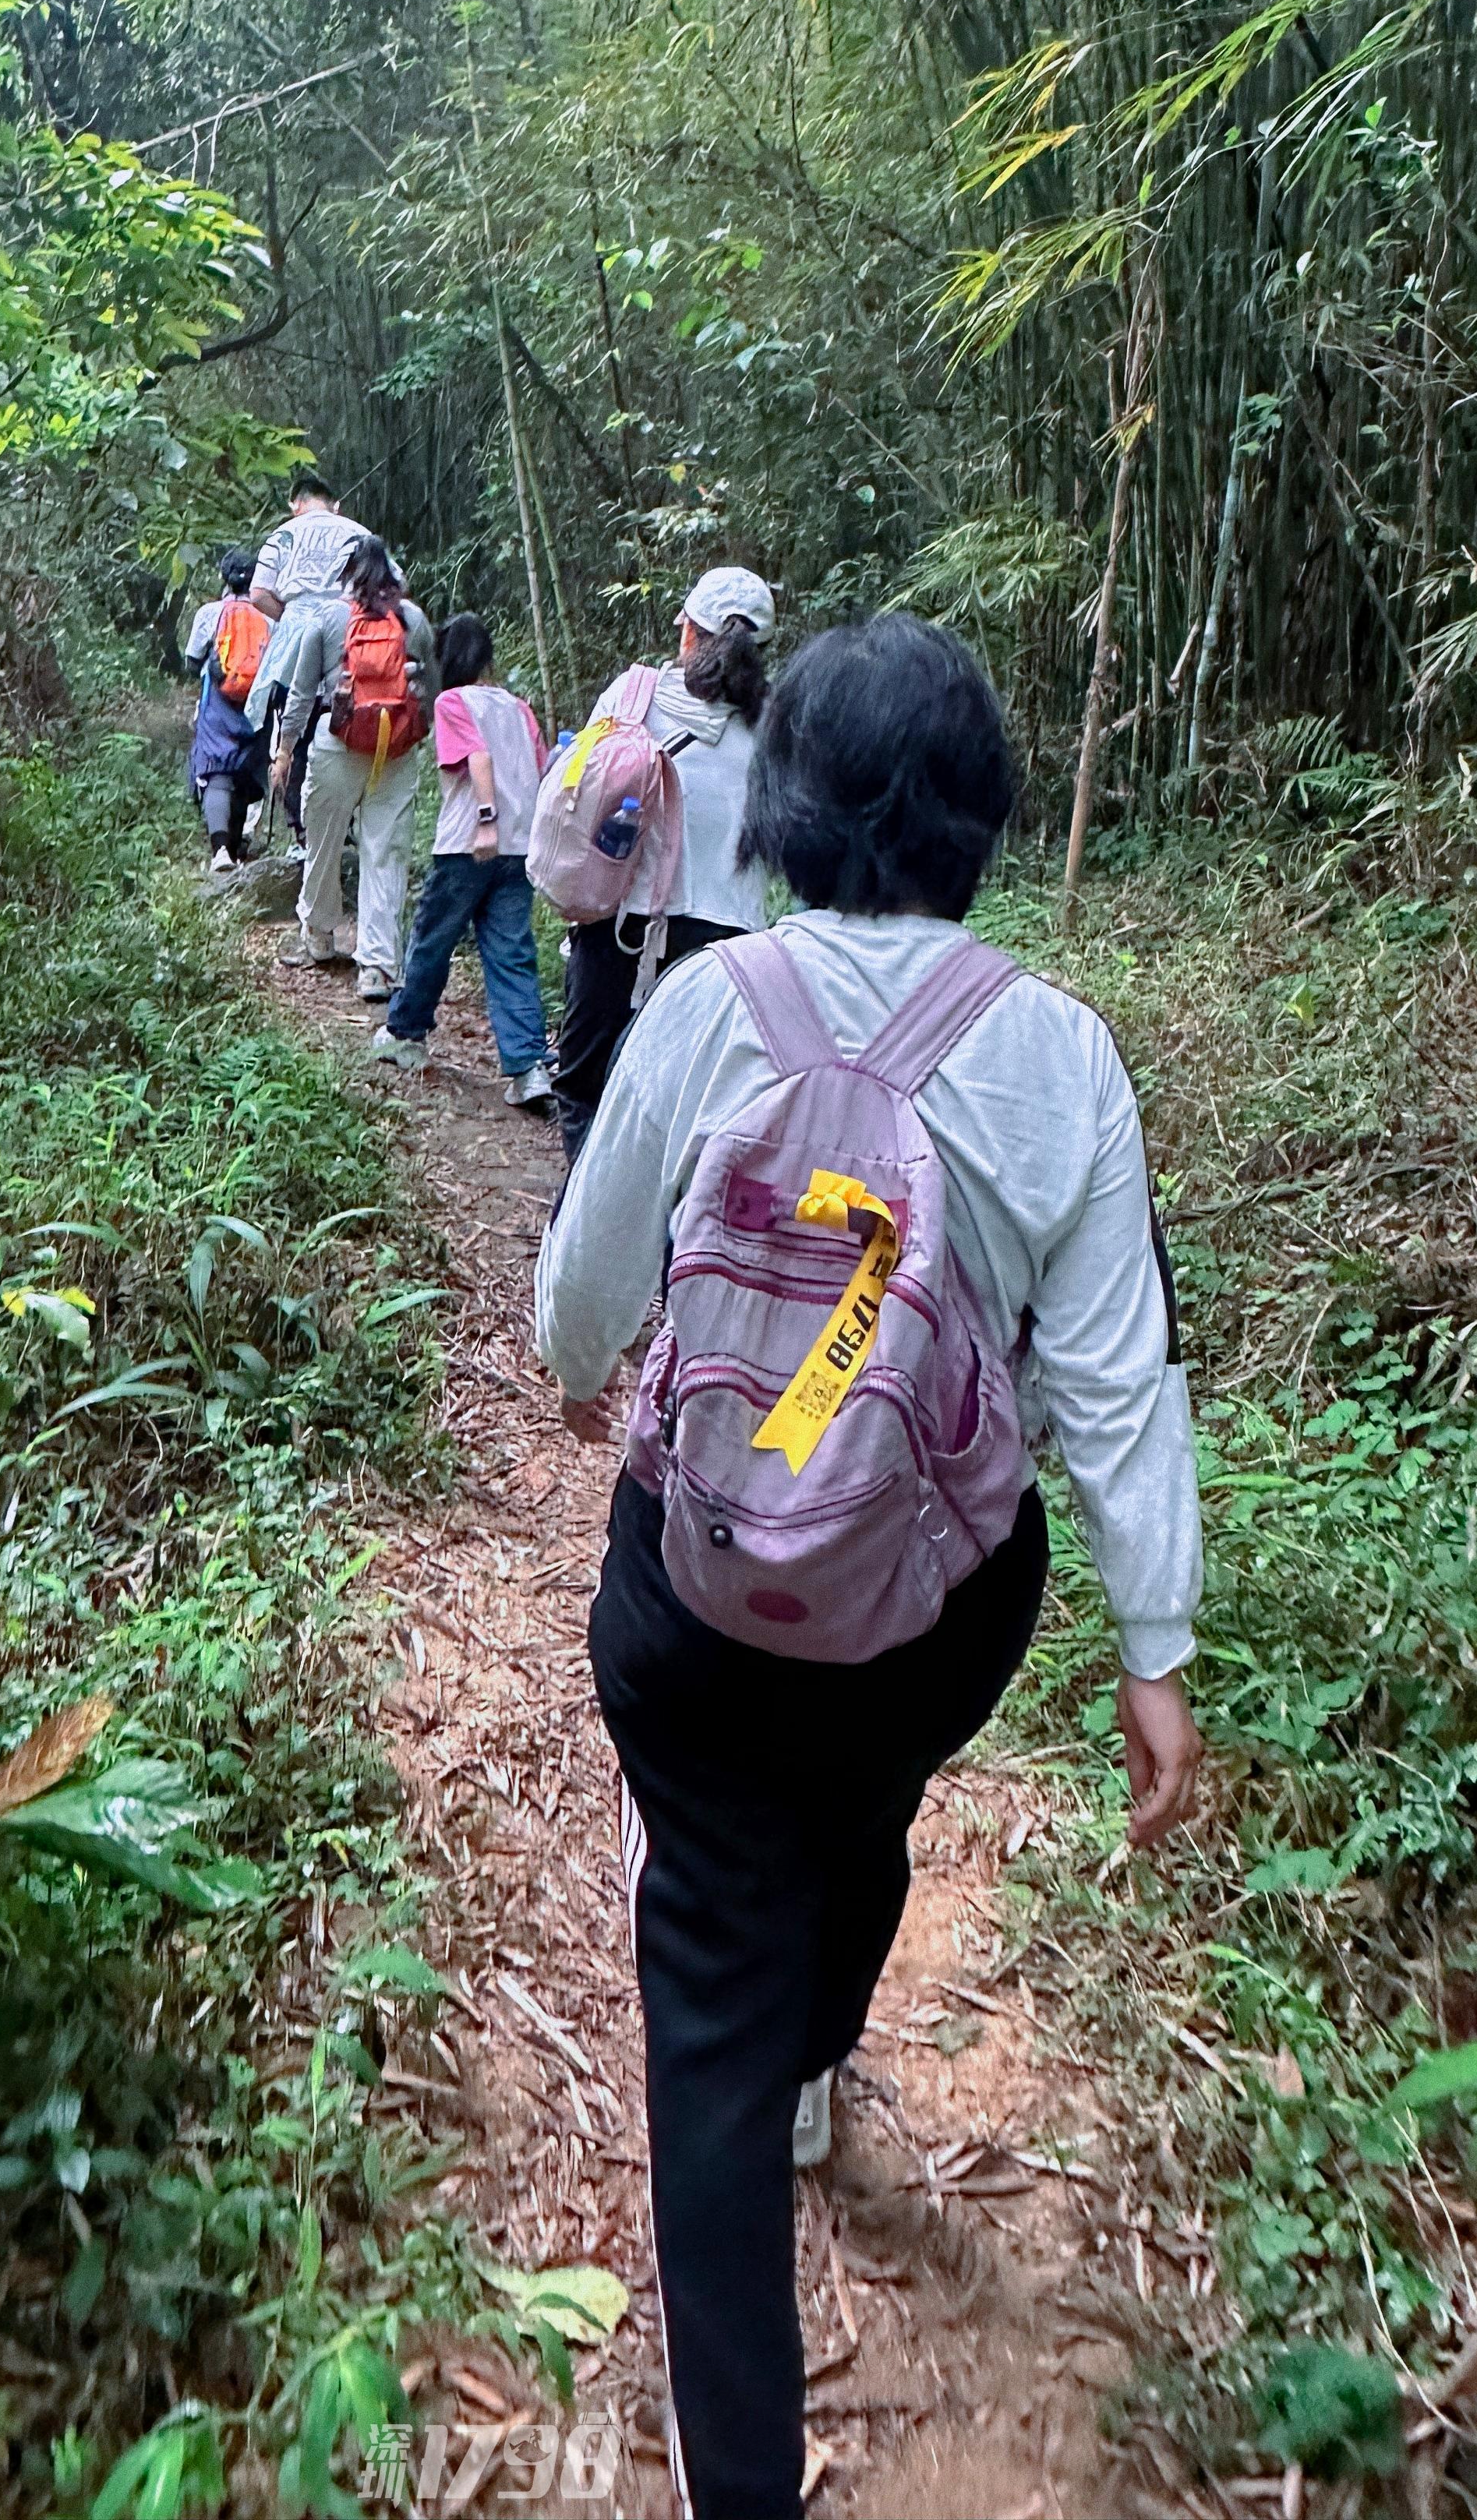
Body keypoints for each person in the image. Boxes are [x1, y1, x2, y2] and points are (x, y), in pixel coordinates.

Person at [534, 612, 1204, 2520]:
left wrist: (582, 1376)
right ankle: (822, 2048)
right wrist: (1155, 1646)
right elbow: (1116, 1377)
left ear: (789, 808)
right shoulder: (1060, 1054)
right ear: (979, 820)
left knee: (712, 1986)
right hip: (934, 1611)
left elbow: (584, 1292)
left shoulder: (707, 1008)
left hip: (700, 1587)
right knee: (865, 1807)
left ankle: (741, 2473)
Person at [550, 564, 776, 1165]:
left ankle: (590, 1210)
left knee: (585, 1085)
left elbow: (575, 790)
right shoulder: (779, 727)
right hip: (731, 945)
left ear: (689, 633)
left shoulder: (635, 696)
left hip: (623, 926)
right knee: (694, 1107)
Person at [371, 614, 557, 1109]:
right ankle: (528, 1067)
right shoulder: (520, 709)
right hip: (519, 849)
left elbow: (478, 758)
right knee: (512, 953)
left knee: (433, 939)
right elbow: (545, 769)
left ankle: (406, 1032)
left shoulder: (453, 702)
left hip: (467, 845)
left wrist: (486, 819)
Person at [275, 534, 440, 995]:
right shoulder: (413, 619)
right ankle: (378, 967)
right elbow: (433, 690)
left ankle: (319, 933)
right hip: (396, 747)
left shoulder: (327, 618)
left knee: (323, 841)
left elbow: (301, 694)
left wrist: (284, 751)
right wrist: (419, 735)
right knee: (385, 851)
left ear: (346, 576)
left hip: (338, 742)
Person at [249, 471, 371, 849]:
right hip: (348, 641)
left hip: (294, 643)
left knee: (294, 730)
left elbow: (258, 594)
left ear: (295, 504)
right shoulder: (359, 534)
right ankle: (344, 824)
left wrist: (291, 617)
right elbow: (393, 585)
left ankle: (301, 831)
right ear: (336, 505)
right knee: (344, 727)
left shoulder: (282, 535)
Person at [184, 549, 270, 871]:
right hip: (258, 703)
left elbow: (192, 661)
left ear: (224, 578)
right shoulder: (270, 616)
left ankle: (220, 851)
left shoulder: (210, 613)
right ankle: (240, 846)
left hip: (218, 703)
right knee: (247, 770)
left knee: (217, 771)